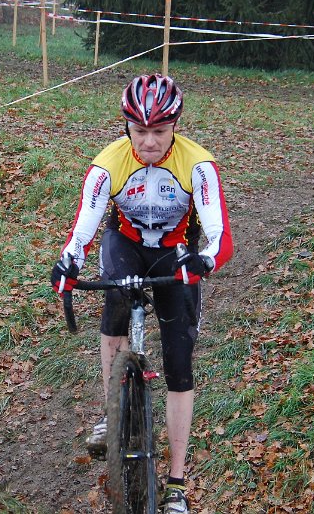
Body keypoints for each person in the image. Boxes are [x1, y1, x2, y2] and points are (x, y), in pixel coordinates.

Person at [50, 74, 233, 514]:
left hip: (176, 250)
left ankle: (176, 483)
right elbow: (84, 228)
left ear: (175, 127)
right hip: (127, 241)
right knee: (115, 299)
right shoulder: (107, 164)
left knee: (178, 363)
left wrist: (204, 261)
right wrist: (69, 262)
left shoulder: (199, 165)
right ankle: (112, 410)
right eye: (140, 131)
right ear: (126, 127)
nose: (149, 142)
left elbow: (221, 235)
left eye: (160, 132)